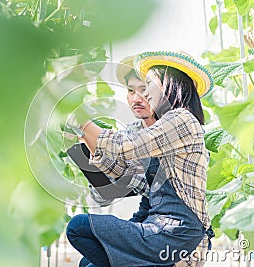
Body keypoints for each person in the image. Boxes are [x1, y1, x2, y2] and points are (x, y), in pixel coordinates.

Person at [66, 51, 214, 266]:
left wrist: (82, 121)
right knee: (86, 263)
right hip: (156, 223)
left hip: (177, 230)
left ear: (169, 84)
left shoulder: (181, 120)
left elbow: (125, 148)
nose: (139, 97)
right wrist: (85, 140)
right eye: (131, 91)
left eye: (146, 87)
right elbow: (117, 185)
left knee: (78, 227)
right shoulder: (142, 129)